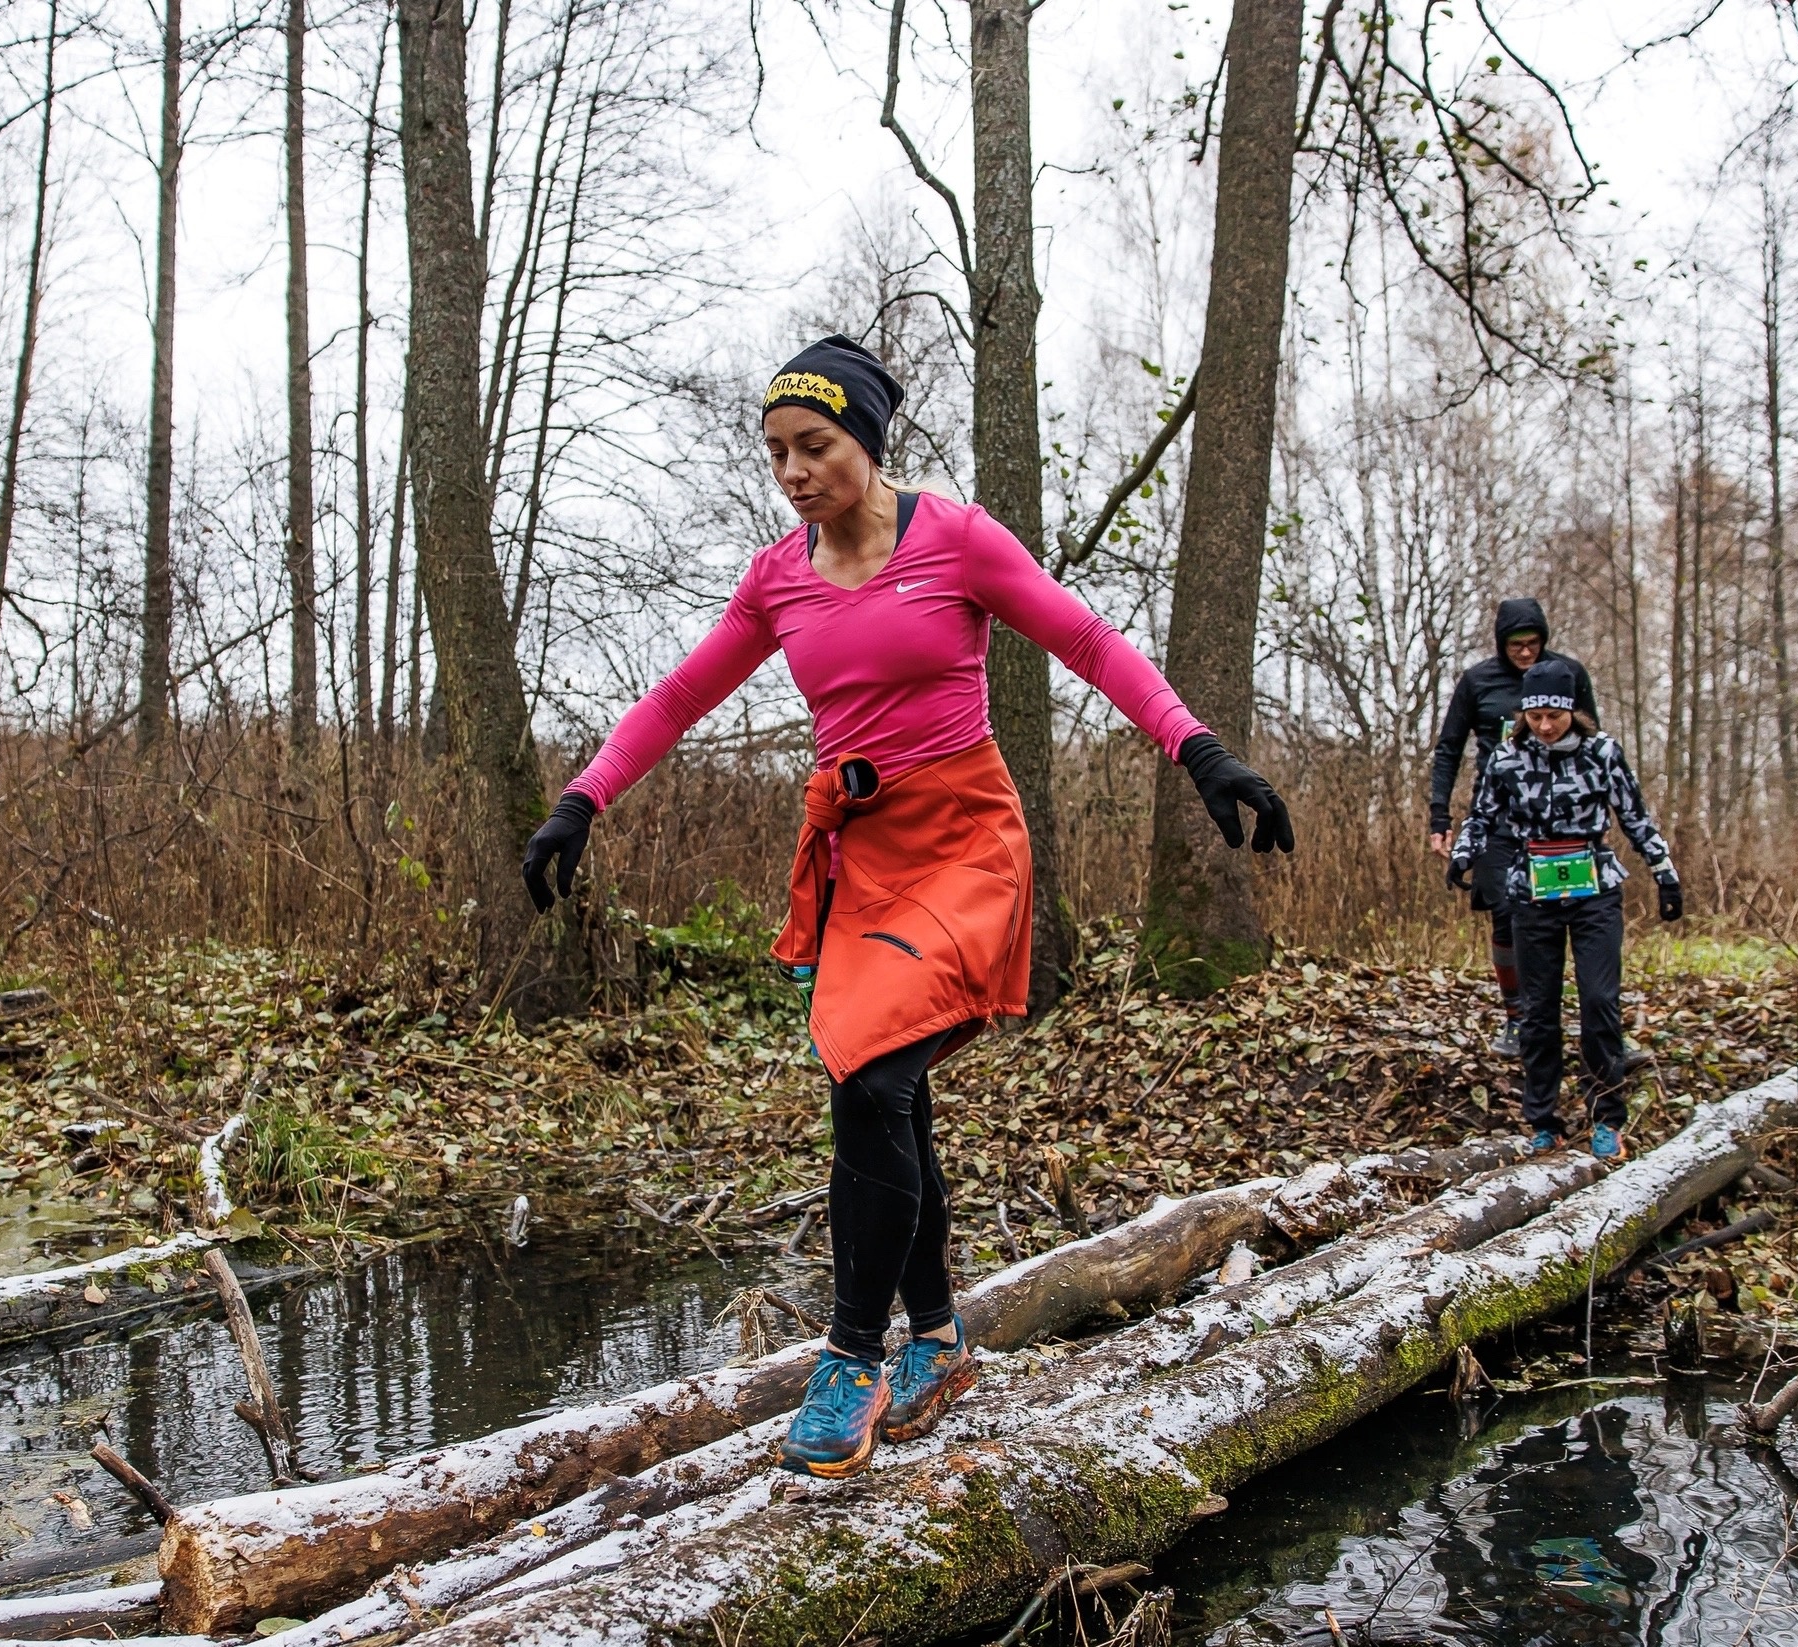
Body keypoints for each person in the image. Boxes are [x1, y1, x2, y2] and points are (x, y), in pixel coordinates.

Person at [521, 334, 1293, 1478]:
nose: (791, 472)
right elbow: (681, 693)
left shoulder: (955, 540)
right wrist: (582, 798)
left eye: (814, 446)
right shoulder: (777, 577)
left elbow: (1082, 638)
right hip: (858, 860)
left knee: (875, 1078)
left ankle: (851, 1354)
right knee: (885, 1092)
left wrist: (1199, 749)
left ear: (868, 441)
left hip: (967, 844)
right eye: (776, 451)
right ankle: (934, 1341)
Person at [1447, 658, 1679, 1162]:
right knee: (1538, 1011)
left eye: (1555, 715)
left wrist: (1664, 872)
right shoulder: (1507, 760)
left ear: (1572, 710)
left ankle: (1607, 1117)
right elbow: (1482, 815)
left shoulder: (1602, 754)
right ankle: (1543, 1121)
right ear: (1524, 715)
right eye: (1536, 717)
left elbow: (1634, 816)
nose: (1546, 726)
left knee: (1599, 1000)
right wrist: (1463, 854)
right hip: (1532, 890)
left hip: (1595, 889)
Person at [1427, 600, 1599, 1058]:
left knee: (1566, 916)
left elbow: (1591, 742)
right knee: (1505, 911)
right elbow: (1449, 749)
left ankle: (1583, 1022)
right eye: (1515, 645)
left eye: (1533, 644)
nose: (1525, 653)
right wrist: (1440, 819)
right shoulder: (1478, 681)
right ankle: (1517, 1018)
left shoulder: (1569, 674)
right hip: (1496, 816)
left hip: (1559, 819)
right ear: (1500, 645)